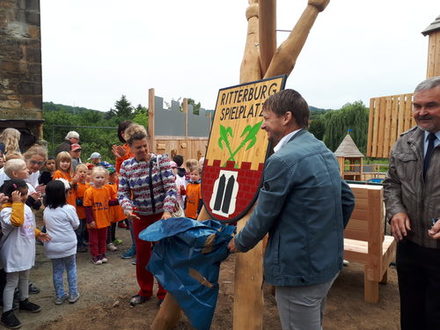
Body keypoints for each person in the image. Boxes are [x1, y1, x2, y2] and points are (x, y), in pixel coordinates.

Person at [227, 89, 355, 330]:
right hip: (326, 264)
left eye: (266, 118)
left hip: (299, 271)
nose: (262, 125)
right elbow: (347, 199)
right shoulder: (322, 149)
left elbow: (264, 215)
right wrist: (325, 236)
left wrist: (238, 243)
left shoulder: (282, 160)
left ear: (286, 117)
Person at [383, 76, 440, 330]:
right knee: (411, 315)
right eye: (417, 106)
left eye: (431, 105)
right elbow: (391, 183)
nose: (422, 112)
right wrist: (396, 211)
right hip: (411, 246)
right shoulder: (404, 141)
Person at [118, 124, 177, 306]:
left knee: (163, 254)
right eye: (138, 147)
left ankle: (164, 293)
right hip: (140, 217)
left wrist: (167, 210)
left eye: (145, 145)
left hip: (161, 215)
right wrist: (127, 208)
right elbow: (122, 193)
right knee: (143, 255)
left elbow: (171, 189)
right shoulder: (127, 166)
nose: (143, 149)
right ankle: (144, 290)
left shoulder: (162, 161)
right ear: (130, 147)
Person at [0, 179, 51, 329]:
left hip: (26, 248)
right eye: (20, 195)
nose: (23, 197)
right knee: (11, 282)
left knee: (25, 276)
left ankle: (24, 300)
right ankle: (7, 312)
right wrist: (16, 203)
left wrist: (37, 233)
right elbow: (16, 221)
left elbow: (26, 225)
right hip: (13, 251)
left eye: (25, 194)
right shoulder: (5, 210)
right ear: (12, 195)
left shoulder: (24, 207)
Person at [43, 180, 80, 305]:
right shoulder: (69, 209)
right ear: (64, 194)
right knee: (71, 268)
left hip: (52, 245)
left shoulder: (46, 210)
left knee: (57, 271)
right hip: (68, 244)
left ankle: (59, 295)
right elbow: (76, 224)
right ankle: (73, 294)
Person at [83, 166, 111, 265]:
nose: (100, 180)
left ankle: (102, 254)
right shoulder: (89, 191)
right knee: (94, 240)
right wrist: (90, 220)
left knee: (103, 239)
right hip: (94, 220)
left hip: (104, 219)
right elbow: (87, 207)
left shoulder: (106, 190)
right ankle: (95, 255)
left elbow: (107, 203)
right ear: (92, 178)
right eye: (97, 177)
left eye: (102, 177)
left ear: (105, 178)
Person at [72, 164, 89, 253]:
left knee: (83, 229)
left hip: (85, 211)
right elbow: (73, 197)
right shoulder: (76, 185)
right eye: (80, 172)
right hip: (78, 211)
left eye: (84, 172)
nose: (82, 174)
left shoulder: (88, 185)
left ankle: (82, 241)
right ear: (76, 173)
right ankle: (78, 245)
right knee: (78, 229)